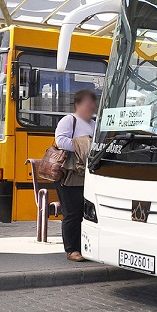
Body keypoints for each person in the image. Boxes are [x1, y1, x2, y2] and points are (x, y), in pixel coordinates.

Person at [53, 89, 97, 262]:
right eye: (87, 103)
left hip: (86, 174)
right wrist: (85, 145)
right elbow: (60, 141)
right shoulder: (69, 120)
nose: (91, 107)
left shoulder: (94, 123)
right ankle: (71, 249)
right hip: (69, 174)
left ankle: (84, 247)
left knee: (86, 213)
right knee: (72, 213)